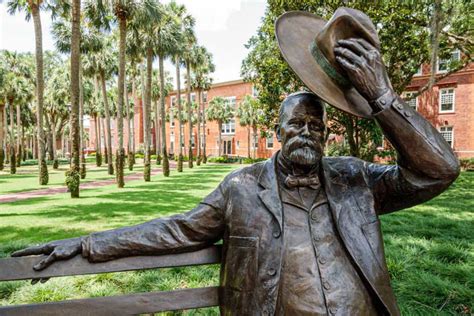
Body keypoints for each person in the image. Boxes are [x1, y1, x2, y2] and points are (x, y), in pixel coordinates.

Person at [13, 9, 459, 316]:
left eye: (317, 127)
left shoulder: (355, 178)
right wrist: (89, 243)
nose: (307, 133)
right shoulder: (241, 188)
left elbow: (440, 170)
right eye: (297, 124)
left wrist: (382, 96)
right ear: (277, 131)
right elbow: (176, 229)